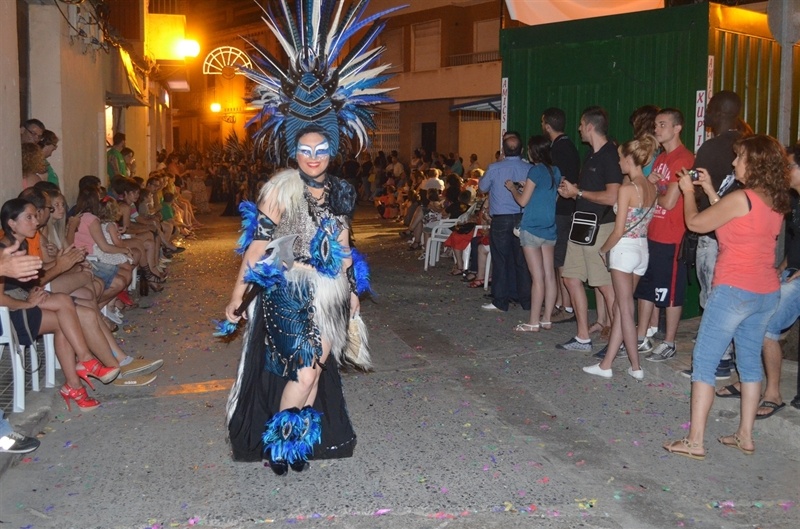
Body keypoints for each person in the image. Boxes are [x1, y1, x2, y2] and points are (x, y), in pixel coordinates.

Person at [221, 0, 397, 475]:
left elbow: (344, 246)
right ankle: (279, 444)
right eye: (305, 149)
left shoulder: (341, 191)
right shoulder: (279, 191)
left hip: (330, 293)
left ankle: (297, 442)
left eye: (321, 149)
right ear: (294, 150)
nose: (313, 156)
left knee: (316, 371)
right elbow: (258, 247)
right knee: (301, 370)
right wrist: (236, 297)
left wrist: (353, 290)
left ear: (331, 150)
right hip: (288, 292)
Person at [664, 135, 789, 460]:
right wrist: (708, 190)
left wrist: (688, 193)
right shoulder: (773, 199)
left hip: (734, 289)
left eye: (740, 157)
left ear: (755, 163)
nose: (734, 163)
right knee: (749, 362)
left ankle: (695, 441)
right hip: (764, 291)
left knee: (704, 362)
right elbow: (733, 221)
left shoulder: (742, 197)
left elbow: (696, 223)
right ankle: (745, 435)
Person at [714, 142, 800, 419]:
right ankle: (749, 380)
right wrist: (781, 267)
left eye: (790, 165)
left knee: (766, 327)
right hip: (789, 271)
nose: (786, 170)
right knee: (750, 323)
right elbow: (793, 243)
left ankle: (772, 393)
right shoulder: (792, 199)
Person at [582, 135, 658, 379]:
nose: (618, 163)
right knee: (621, 307)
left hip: (624, 251)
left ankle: (636, 366)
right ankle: (606, 364)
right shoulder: (652, 187)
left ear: (628, 159)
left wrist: (603, 250)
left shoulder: (627, 190)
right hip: (642, 250)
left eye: (620, 158)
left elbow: (617, 230)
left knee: (624, 311)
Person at [683, 91, 745, 380]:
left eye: (709, 108)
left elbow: (697, 189)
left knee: (711, 296)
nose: (705, 113)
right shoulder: (747, 144)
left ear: (719, 111)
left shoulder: (711, 148)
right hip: (740, 234)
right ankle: (731, 356)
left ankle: (719, 359)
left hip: (712, 232)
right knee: (733, 298)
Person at [556, 107, 624, 351]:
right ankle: (582, 336)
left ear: (590, 126)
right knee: (570, 278)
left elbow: (613, 196)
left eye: (581, 125)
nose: (578, 129)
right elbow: (587, 192)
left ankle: (620, 341)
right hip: (581, 225)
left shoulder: (610, 155)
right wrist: (572, 192)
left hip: (600, 227)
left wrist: (579, 192)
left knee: (605, 286)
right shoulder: (591, 155)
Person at [637, 109, 695, 362]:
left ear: (677, 128)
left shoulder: (683, 158)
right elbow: (649, 191)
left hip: (672, 237)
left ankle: (669, 342)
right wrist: (650, 184)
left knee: (669, 293)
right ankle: (640, 337)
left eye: (662, 125)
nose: (657, 129)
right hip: (652, 233)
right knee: (646, 289)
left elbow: (670, 202)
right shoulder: (661, 157)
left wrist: (651, 190)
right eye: (656, 125)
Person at [505, 135, 561, 331]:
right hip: (549, 228)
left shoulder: (534, 171)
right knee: (549, 275)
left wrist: (513, 188)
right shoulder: (555, 171)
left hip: (532, 228)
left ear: (533, 152)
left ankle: (533, 322)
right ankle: (546, 319)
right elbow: (551, 197)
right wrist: (527, 186)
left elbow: (522, 201)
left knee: (536, 277)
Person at [478, 132, 532, 312]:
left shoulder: (495, 168)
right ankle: (525, 300)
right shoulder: (529, 168)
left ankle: (501, 301)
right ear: (521, 150)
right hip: (522, 217)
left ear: (503, 150)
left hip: (501, 218)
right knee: (522, 260)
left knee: (500, 259)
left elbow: (482, 187)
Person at [542, 107, 580, 324]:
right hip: (565, 210)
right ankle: (559, 302)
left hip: (562, 211)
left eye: (543, 123)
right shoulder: (566, 146)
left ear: (548, 126)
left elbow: (560, 180)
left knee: (562, 259)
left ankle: (567, 306)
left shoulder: (560, 148)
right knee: (558, 259)